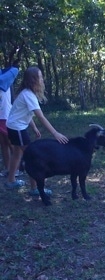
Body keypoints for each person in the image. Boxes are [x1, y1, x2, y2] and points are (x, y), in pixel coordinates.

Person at [5, 66, 69, 196]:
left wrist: (33, 127)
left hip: (14, 127)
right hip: (17, 128)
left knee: (17, 154)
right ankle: (35, 189)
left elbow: (22, 113)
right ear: (33, 80)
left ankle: (11, 181)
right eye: (40, 77)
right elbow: (41, 116)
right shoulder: (28, 95)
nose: (42, 79)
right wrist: (55, 133)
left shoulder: (27, 93)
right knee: (33, 157)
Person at [0, 62, 20, 177]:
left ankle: (16, 168)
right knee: (3, 143)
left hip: (5, 116)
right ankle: (8, 168)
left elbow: (15, 70)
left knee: (11, 142)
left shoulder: (4, 78)